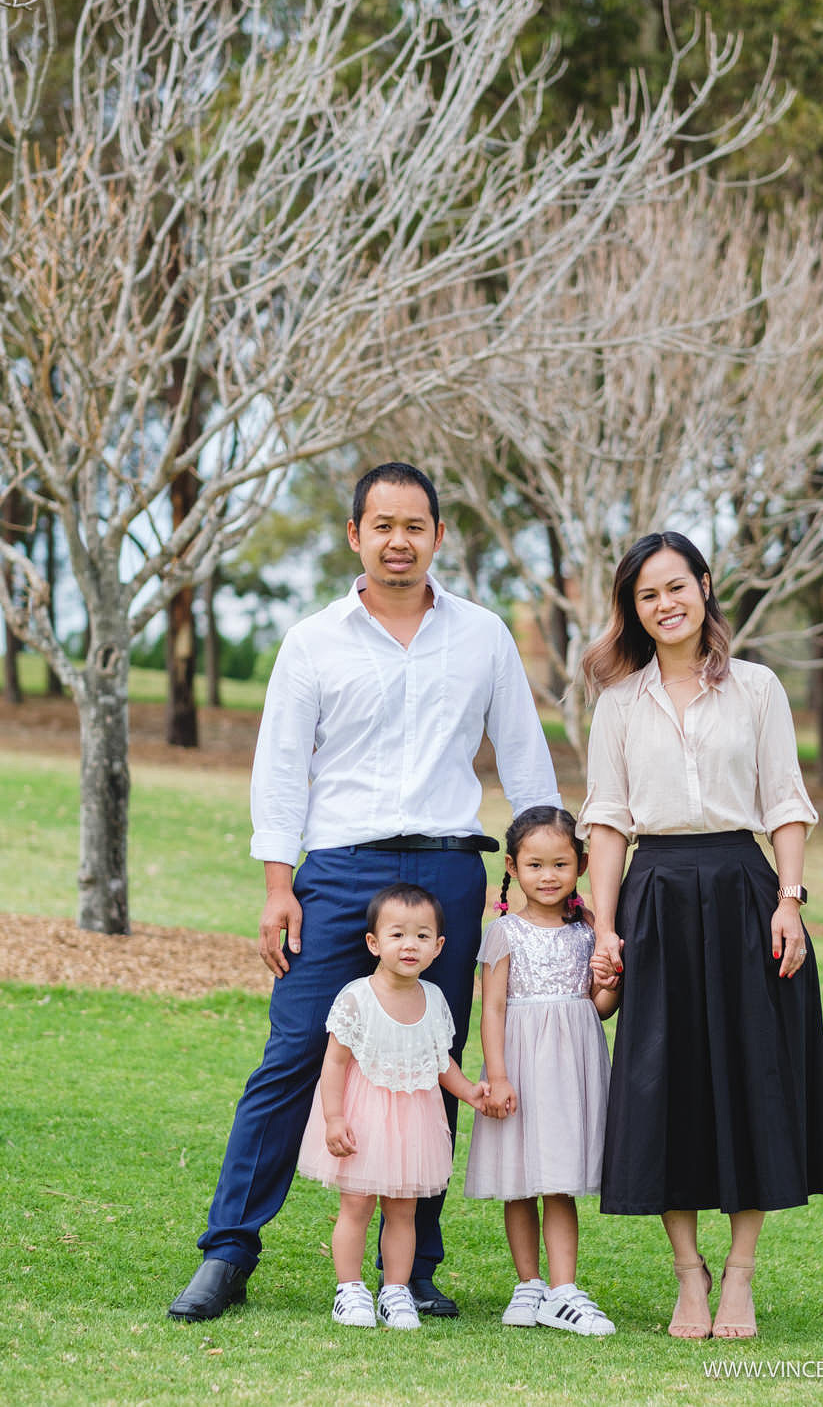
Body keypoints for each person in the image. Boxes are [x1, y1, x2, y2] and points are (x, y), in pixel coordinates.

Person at [169, 462, 560, 1322]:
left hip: (451, 871)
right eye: (381, 525)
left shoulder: (484, 636)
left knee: (432, 1064)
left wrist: (548, 875)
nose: (398, 540)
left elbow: (528, 762)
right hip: (340, 872)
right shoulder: (314, 640)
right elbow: (281, 769)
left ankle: (412, 1267)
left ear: (437, 538)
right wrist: (279, 885)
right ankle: (229, 1250)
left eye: (414, 526)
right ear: (355, 535)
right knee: (295, 1052)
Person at [580, 531, 823, 1341]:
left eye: (676, 587)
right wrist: (606, 930)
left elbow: (786, 800)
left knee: (752, 1081)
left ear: (705, 585)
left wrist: (789, 901)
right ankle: (688, 1276)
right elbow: (609, 823)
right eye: (647, 595)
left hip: (743, 892)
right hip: (654, 895)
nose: (665, 604)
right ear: (634, 610)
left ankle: (740, 1279)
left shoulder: (757, 689)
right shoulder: (619, 704)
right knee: (665, 1088)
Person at [297, 884, 489, 1329]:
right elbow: (334, 1064)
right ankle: (350, 1291)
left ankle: (396, 1291)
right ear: (374, 943)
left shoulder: (435, 999)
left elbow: (441, 1061)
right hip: (363, 1119)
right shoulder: (356, 997)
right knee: (357, 1205)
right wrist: (334, 1117)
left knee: (404, 1211)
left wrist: (470, 1092)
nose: (410, 945)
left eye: (422, 936)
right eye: (398, 934)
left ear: (438, 947)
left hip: (415, 1122)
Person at [464, 806, 620, 1336]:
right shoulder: (503, 932)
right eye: (535, 865)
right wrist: (499, 1076)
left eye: (560, 864)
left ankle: (564, 1289)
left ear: (580, 864)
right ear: (512, 866)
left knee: (558, 1179)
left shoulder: (590, 929)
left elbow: (598, 1006)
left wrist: (611, 979)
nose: (548, 876)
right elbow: (492, 1010)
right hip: (520, 1063)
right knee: (519, 1178)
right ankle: (528, 1282)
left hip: (572, 1063)